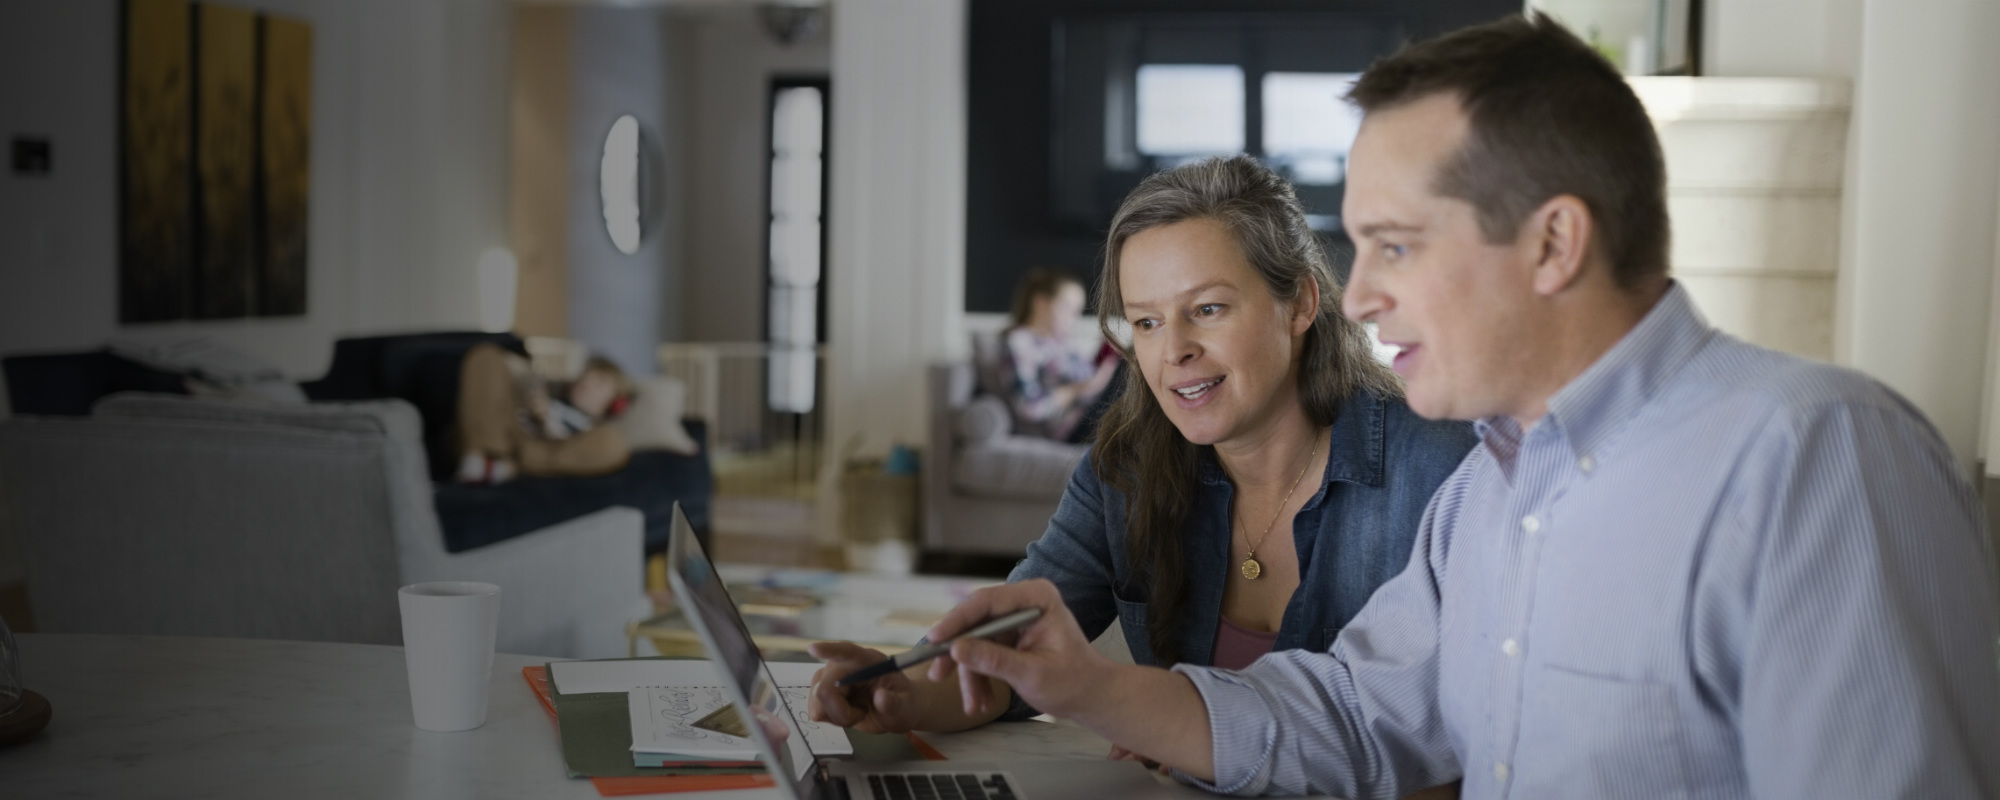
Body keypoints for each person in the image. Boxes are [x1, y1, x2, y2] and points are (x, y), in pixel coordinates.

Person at [882, 13, 2000, 800]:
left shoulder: (1813, 454)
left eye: (1396, 246)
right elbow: (1354, 715)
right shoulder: (1494, 489)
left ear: (1552, 241)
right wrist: (1085, 686)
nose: (1359, 295)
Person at [809, 157, 1478, 756]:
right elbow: (1018, 655)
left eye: (1208, 309)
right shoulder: (1125, 469)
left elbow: (1460, 740)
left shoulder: (1443, 469)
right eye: (1148, 321)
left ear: (1300, 302)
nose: (1173, 350)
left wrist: (1152, 720)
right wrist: (908, 694)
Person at [455, 343, 634, 483]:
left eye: (599, 384)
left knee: (612, 444)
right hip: (508, 435)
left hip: (546, 449)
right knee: (486, 355)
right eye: (587, 375)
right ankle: (486, 456)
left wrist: (544, 419)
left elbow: (559, 438)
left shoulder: (592, 430)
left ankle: (505, 465)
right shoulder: (553, 395)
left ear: (613, 404)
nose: (586, 383)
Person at [999, 267, 1119, 443]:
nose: (1074, 319)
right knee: (1130, 370)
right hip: (1069, 427)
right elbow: (1029, 407)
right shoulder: (1020, 342)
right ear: (1040, 303)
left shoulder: (1062, 342)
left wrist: (1104, 365)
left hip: (1093, 409)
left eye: (1077, 311)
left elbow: (1085, 379)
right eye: (1068, 308)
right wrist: (1078, 389)